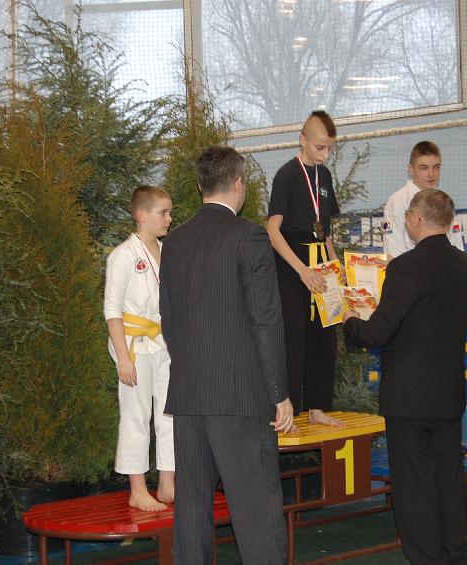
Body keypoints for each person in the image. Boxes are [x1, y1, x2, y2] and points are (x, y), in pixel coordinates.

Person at [159, 146, 294, 564]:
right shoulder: (249, 236)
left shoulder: (174, 241)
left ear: (200, 185)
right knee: (257, 514)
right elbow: (266, 319)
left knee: (192, 511)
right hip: (239, 398)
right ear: (238, 184)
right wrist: (279, 392)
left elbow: (168, 319)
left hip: (189, 395)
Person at [343, 188, 467, 565]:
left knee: (414, 484)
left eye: (407, 217)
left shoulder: (404, 267)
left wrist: (349, 319)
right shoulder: (465, 265)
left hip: (409, 397)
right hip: (448, 392)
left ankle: (425, 558)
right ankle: (455, 554)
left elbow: (377, 333)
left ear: (416, 219)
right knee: (449, 478)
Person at [266, 110, 343, 427]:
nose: (324, 155)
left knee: (324, 337)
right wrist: (301, 271)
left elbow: (325, 230)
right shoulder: (286, 175)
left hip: (320, 262)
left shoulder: (324, 177)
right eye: (319, 147)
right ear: (302, 140)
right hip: (292, 265)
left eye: (329, 149)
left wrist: (334, 267)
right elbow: (273, 231)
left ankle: (317, 407)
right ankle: (289, 412)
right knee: (293, 339)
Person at [103, 185, 175, 512]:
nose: (169, 219)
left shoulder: (165, 250)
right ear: (141, 215)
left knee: (170, 413)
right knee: (136, 415)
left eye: (169, 212)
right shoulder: (123, 256)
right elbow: (112, 310)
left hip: (163, 342)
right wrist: (123, 358)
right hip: (133, 345)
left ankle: (167, 483)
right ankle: (137, 489)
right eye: (163, 213)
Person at [382, 141, 464, 261]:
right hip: (410, 271)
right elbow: (394, 254)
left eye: (436, 167)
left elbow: (456, 246)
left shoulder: (443, 201)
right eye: (424, 168)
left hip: (445, 269)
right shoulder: (398, 202)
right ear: (411, 169)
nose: (431, 174)